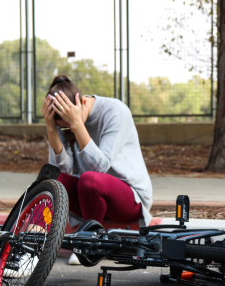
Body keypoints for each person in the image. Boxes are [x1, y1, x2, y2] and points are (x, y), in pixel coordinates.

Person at [42, 75, 153, 265]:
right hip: (89, 198)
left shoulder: (115, 111)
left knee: (90, 179)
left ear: (83, 102)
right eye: (65, 128)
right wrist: (52, 130)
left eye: (69, 126)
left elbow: (101, 166)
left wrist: (77, 125)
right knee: (51, 180)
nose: (68, 130)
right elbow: (62, 168)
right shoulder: (64, 121)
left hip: (127, 198)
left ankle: (90, 242)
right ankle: (36, 243)